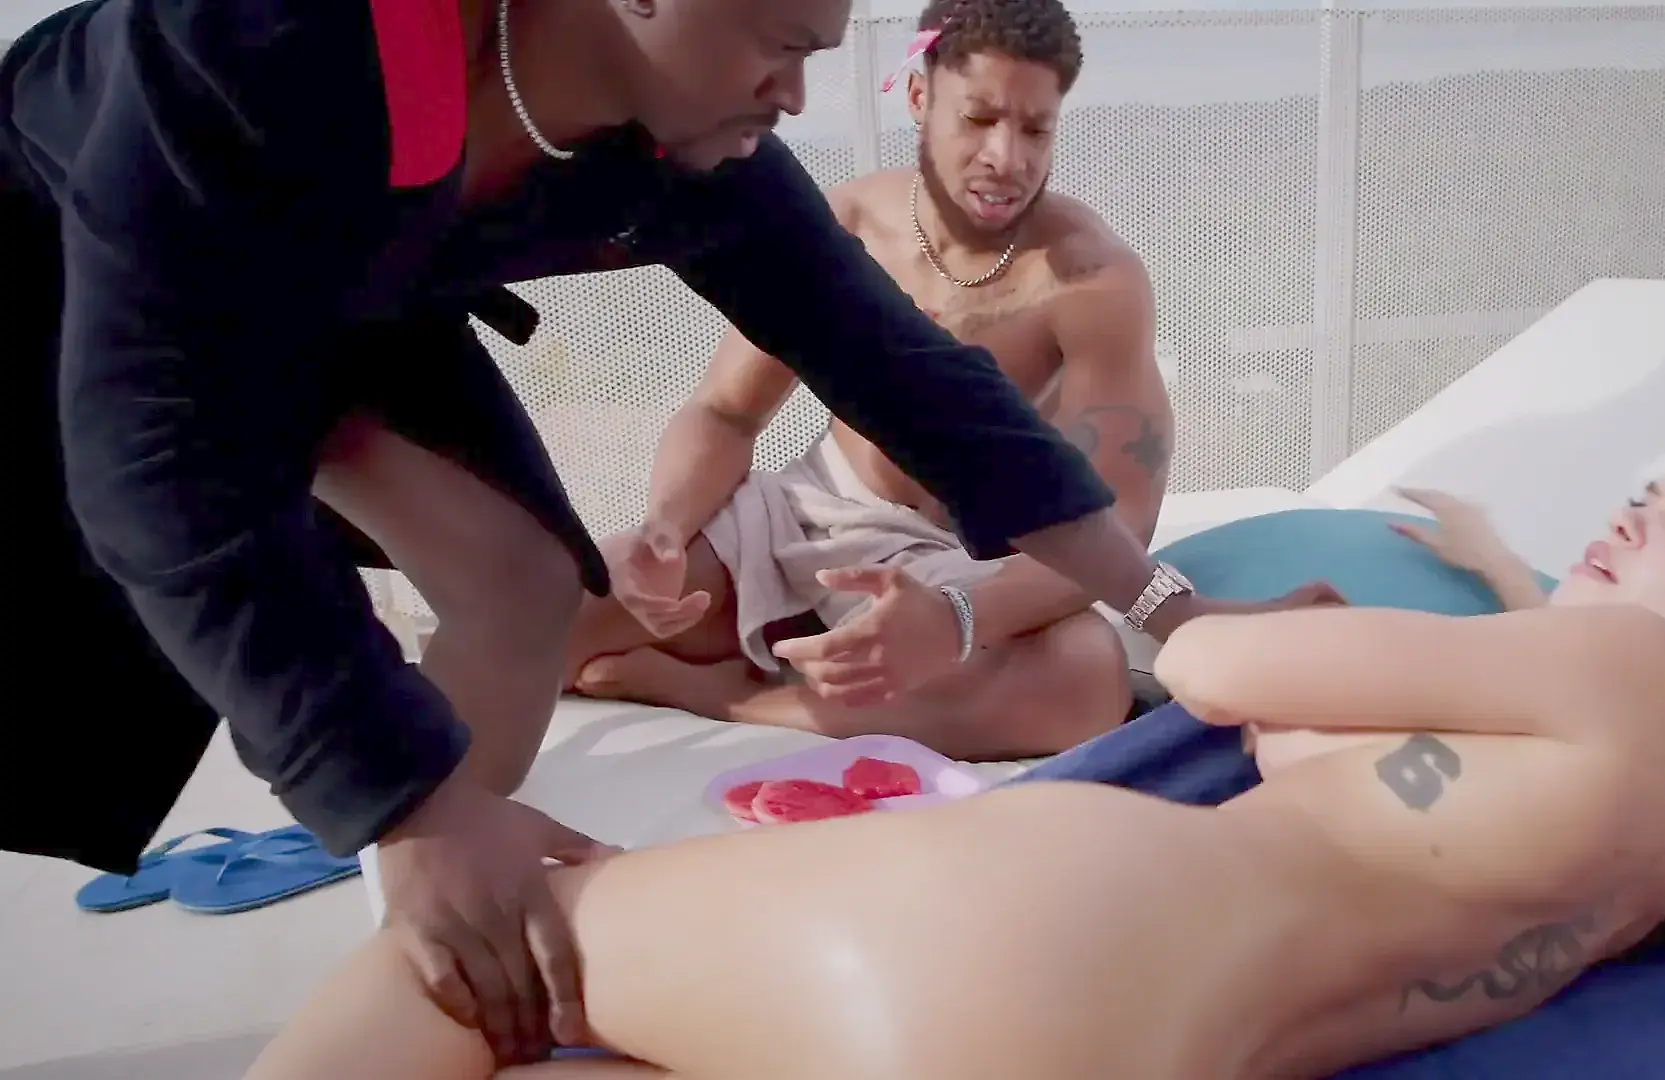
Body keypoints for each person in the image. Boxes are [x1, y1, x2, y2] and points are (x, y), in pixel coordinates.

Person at [0, 0, 1297, 1065]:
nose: (797, 93)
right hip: (86, 269)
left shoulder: (697, 153)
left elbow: (906, 374)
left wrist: (1175, 611)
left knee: (522, 587)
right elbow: (151, 458)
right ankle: (434, 876)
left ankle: (435, 971)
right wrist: (406, 801)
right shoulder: (264, 43)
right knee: (81, 677)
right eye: (779, 45)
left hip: (360, 281)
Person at [237, 428, 1665, 1080]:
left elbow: (1229, 672)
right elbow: (1390, 757)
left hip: (1035, 932)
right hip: (1148, 1043)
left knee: (479, 950)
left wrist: (1229, 622)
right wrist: (1496, 573)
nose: (1630, 520)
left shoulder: (1610, 662)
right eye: (1642, 492)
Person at [563, 0, 1172, 759]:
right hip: (807, 516)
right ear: (919, 96)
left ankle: (730, 695)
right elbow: (725, 412)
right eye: (979, 118)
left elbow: (1122, 527)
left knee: (1082, 680)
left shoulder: (1091, 279)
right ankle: (788, 653)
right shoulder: (845, 222)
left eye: (1035, 129)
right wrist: (664, 528)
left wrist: (957, 619)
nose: (1007, 157)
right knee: (557, 620)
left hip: (960, 560)